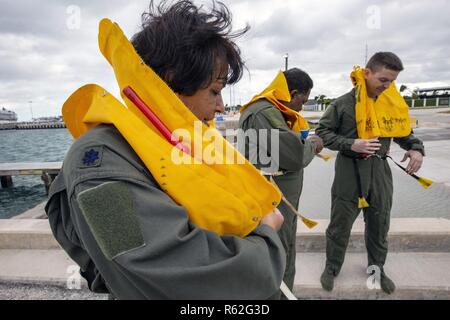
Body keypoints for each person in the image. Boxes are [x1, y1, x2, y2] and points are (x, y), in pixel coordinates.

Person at [45, 0, 286, 300]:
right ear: (172, 80)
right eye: (214, 91)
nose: (221, 106)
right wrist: (267, 237)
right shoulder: (96, 165)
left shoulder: (184, 140)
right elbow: (156, 269)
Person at [316, 52, 425, 294]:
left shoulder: (389, 105)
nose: (387, 86)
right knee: (339, 225)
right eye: (383, 79)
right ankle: (332, 268)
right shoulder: (343, 104)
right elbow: (321, 134)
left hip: (379, 173)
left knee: (379, 224)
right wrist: (350, 144)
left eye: (392, 81)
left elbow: (403, 133)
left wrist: (416, 149)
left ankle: (377, 269)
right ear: (367, 73)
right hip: (349, 171)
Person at [239, 68, 323, 295]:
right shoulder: (264, 112)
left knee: (285, 247)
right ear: (293, 92)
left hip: (282, 196)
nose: (301, 107)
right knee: (279, 250)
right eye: (302, 100)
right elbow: (294, 155)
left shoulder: (275, 110)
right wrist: (313, 144)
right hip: (274, 198)